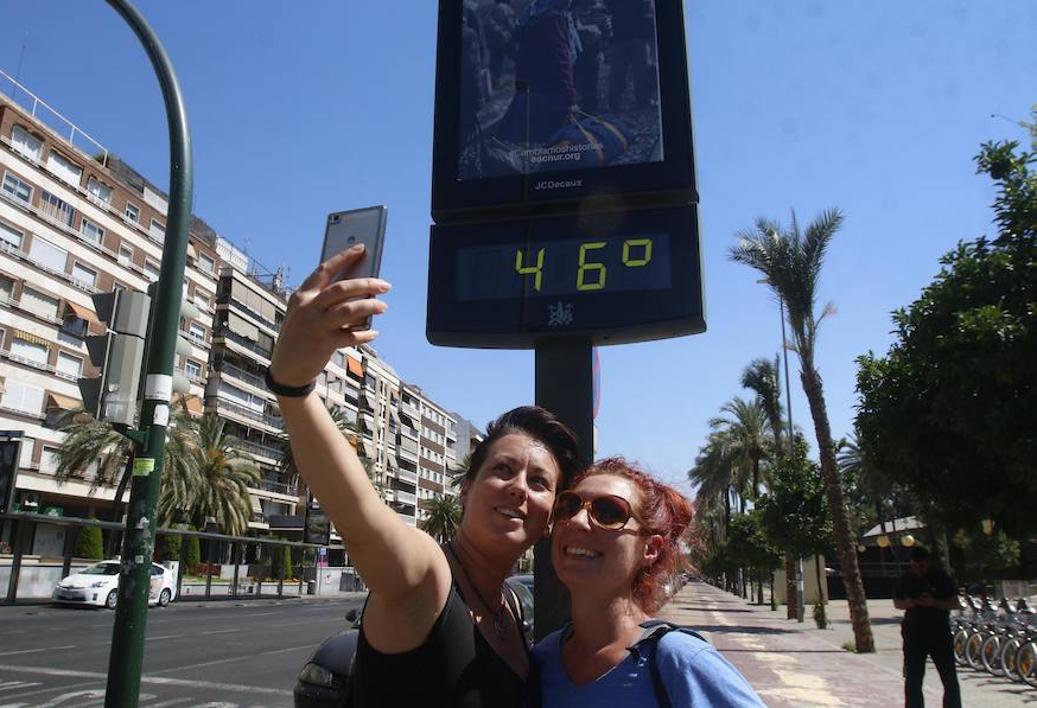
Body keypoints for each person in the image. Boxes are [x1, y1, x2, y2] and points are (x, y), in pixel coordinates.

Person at [268, 245, 579, 707]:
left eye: (538, 482)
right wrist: (294, 387)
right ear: (466, 488)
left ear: (550, 516)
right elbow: (363, 522)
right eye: (503, 469)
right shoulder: (429, 578)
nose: (518, 487)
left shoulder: (510, 608)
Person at [533, 457, 764, 706]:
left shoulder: (681, 662)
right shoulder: (543, 659)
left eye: (608, 513)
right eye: (569, 507)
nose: (577, 521)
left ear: (650, 548)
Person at [893, 546, 962, 708]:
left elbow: (955, 603)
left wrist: (934, 602)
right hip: (914, 634)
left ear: (928, 562)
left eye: (921, 565)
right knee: (913, 679)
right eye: (915, 565)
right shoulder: (905, 578)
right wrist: (909, 603)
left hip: (939, 632)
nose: (918, 569)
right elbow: (897, 602)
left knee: (949, 678)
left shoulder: (941, 577)